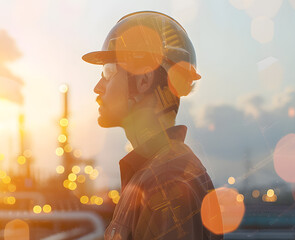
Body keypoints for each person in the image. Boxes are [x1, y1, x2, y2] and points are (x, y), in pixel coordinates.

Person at [82, 11, 222, 239]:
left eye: (109, 72)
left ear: (144, 80)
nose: (98, 87)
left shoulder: (168, 184)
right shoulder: (152, 174)